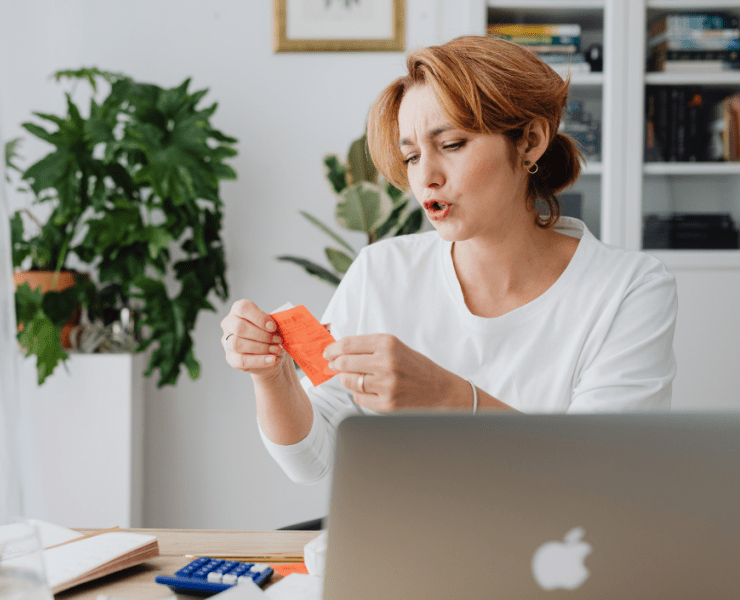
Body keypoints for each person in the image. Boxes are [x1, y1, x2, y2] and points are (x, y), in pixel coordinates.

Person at [220, 36, 677, 485]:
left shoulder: (628, 288)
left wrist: (452, 397)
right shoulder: (382, 271)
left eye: (453, 144)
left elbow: (605, 476)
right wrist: (274, 377)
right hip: (402, 548)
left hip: (555, 555)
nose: (427, 178)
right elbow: (311, 462)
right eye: (412, 156)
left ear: (531, 140)